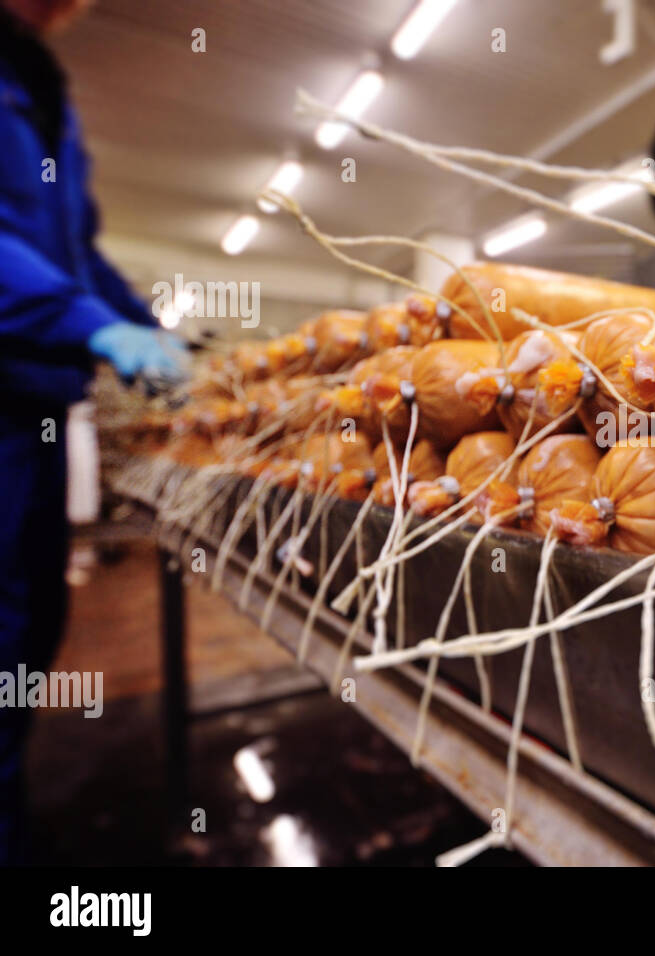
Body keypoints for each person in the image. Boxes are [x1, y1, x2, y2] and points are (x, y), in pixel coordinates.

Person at [0, 0, 186, 864]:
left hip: (36, 400)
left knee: (29, 624)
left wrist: (136, 319)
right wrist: (85, 322)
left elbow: (77, 250)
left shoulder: (42, 84)